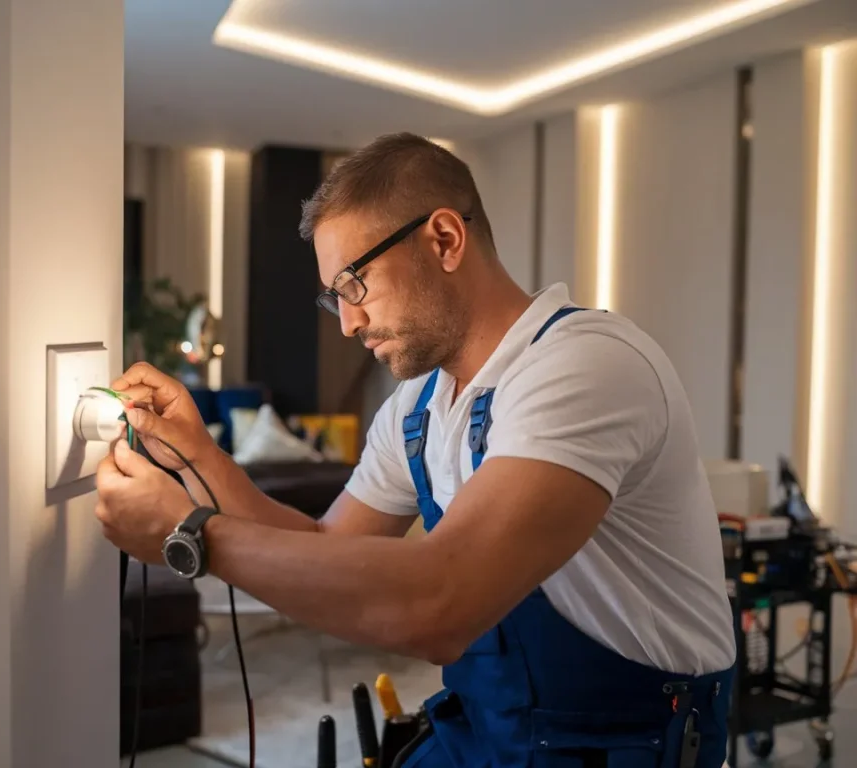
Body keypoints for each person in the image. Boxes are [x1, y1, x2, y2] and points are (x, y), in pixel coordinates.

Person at [95, 133, 736, 768]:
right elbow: (329, 551)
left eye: (354, 284)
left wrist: (190, 533)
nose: (347, 323)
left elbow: (442, 605)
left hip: (626, 740)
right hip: (488, 729)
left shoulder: (585, 366)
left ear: (445, 239)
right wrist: (197, 457)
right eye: (333, 297)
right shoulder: (417, 409)